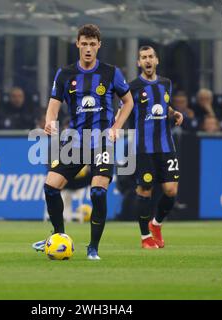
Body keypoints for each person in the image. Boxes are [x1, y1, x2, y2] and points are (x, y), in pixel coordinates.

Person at [32, 24, 133, 260]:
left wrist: (117, 127)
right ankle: (59, 237)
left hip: (101, 142)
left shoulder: (110, 72)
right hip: (76, 142)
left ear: (99, 45)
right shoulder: (65, 74)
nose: (88, 48)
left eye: (92, 44)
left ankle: (93, 248)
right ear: (77, 44)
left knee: (98, 193)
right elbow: (53, 107)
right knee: (50, 187)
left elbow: (128, 102)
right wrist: (50, 122)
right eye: (84, 43)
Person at [127, 46, 183, 249]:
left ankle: (156, 224)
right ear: (138, 63)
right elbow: (123, 109)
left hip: (166, 145)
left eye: (150, 57)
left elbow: (160, 104)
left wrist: (174, 113)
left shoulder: (166, 84)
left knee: (170, 190)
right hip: (144, 147)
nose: (147, 60)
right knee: (145, 189)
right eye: (143, 58)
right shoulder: (132, 87)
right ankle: (145, 237)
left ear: (156, 60)